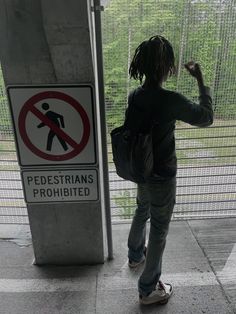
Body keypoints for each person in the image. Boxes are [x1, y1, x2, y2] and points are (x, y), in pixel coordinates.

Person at [126, 35, 213, 305]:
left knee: (141, 209)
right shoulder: (170, 99)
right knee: (160, 228)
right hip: (162, 174)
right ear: (167, 67)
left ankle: (135, 255)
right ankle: (148, 290)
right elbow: (206, 118)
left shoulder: (135, 96)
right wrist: (200, 81)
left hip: (141, 170)